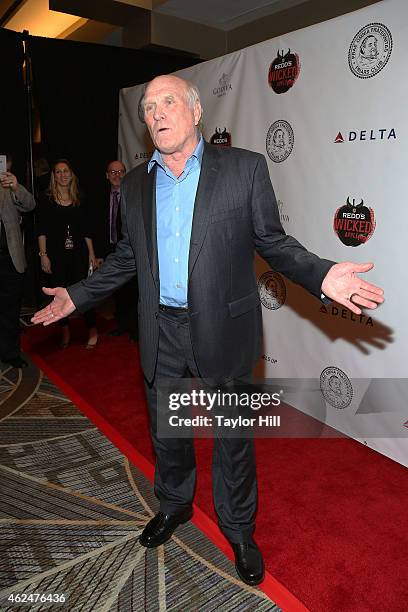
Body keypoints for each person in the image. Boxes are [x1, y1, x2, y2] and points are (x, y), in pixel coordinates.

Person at [32, 75, 384, 586]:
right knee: (167, 432)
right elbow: (129, 256)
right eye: (149, 107)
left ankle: (239, 529)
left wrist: (323, 274)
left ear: (195, 111)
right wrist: (77, 294)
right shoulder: (134, 185)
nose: (156, 113)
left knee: (233, 436)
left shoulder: (243, 169)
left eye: (168, 102)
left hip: (226, 326)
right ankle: (174, 504)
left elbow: (274, 242)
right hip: (161, 329)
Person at [35, 159, 98, 348]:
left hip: (78, 254)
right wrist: (43, 254)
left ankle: (93, 330)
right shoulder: (46, 200)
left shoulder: (80, 198)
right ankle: (65, 330)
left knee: (85, 294)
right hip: (56, 255)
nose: (63, 175)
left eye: (66, 171)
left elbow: (87, 231)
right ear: (54, 176)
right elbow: (41, 230)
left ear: (72, 175)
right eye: (58, 172)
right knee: (58, 294)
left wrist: (92, 255)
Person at [0, 152, 36, 368]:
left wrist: (16, 186)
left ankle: (11, 353)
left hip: (10, 259)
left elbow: (30, 205)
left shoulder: (11, 187)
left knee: (11, 309)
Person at [98, 160, 138, 341]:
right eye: (112, 172)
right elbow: (96, 227)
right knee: (117, 291)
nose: (116, 175)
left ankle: (136, 331)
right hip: (109, 249)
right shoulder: (98, 198)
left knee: (133, 292)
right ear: (107, 175)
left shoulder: (133, 196)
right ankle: (122, 325)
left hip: (129, 251)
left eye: (120, 171)